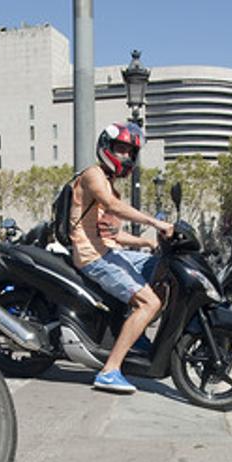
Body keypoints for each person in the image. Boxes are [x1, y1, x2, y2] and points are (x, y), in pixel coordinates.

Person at [68, 122, 175, 394]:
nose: (126, 156)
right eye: (121, 149)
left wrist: (148, 243)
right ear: (107, 147)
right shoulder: (93, 175)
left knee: (162, 266)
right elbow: (114, 207)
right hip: (93, 257)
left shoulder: (110, 184)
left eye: (131, 152)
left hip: (107, 249)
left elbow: (112, 234)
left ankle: (133, 334)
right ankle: (110, 370)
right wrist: (155, 223)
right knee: (149, 303)